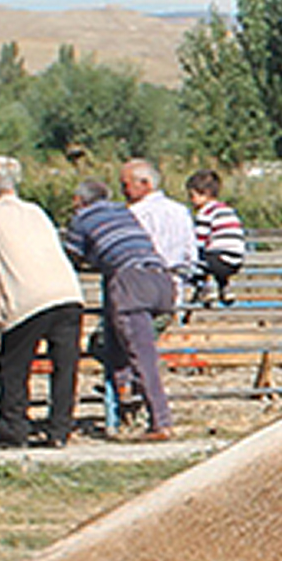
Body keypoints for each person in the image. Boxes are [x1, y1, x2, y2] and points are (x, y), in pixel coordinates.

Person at [0, 160, 84, 448]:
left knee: (14, 366)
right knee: (65, 366)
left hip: (26, 298)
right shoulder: (37, 211)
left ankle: (13, 428)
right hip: (67, 292)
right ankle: (59, 429)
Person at [66, 177, 176, 440]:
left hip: (130, 281)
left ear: (79, 201)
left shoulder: (81, 221)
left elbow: (71, 256)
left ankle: (160, 421)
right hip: (161, 278)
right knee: (120, 342)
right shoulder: (122, 212)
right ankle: (125, 388)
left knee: (141, 354)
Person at [120, 157, 197, 282]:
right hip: (175, 279)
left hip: (143, 280)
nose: (123, 191)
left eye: (125, 185)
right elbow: (191, 251)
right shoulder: (180, 210)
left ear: (145, 183)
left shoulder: (135, 213)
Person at [185, 167, 247, 309]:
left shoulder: (206, 212)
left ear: (204, 194)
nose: (191, 201)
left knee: (200, 260)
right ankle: (225, 290)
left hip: (218, 257)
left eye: (192, 196)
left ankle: (206, 290)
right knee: (215, 262)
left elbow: (200, 240)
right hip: (236, 260)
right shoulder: (227, 209)